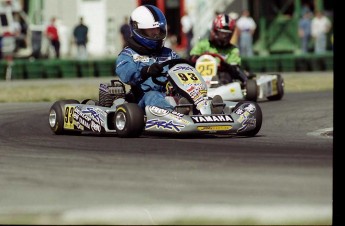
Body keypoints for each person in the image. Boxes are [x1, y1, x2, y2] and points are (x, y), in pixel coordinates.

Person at [115, 5, 180, 112]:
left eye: (158, 29)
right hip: (141, 100)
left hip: (170, 95)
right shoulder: (128, 55)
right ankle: (176, 115)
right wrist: (147, 71)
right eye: (151, 29)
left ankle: (207, 109)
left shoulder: (169, 54)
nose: (156, 33)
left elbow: (182, 68)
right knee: (152, 96)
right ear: (139, 30)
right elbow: (126, 75)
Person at [189, 13, 248, 86]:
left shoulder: (232, 50)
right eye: (221, 33)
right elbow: (192, 57)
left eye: (227, 34)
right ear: (214, 31)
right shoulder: (203, 44)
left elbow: (234, 67)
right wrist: (196, 57)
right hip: (199, 75)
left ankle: (220, 87)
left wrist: (224, 64)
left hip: (221, 75)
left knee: (226, 75)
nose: (224, 36)